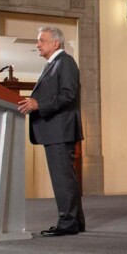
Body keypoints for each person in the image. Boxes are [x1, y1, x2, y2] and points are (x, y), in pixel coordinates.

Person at [18, 26, 85, 237]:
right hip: (56, 130)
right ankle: (75, 222)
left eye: (41, 40)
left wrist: (39, 104)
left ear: (55, 43)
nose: (37, 44)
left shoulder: (65, 62)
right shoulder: (53, 64)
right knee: (66, 178)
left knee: (62, 178)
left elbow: (68, 95)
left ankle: (67, 223)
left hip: (60, 130)